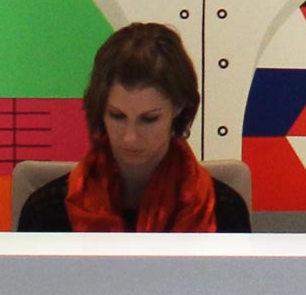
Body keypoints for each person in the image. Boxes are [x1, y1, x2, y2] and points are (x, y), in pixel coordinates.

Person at [16, 24, 248, 232]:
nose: (130, 137)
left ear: (178, 108)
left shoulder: (223, 212)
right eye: (117, 116)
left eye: (149, 119)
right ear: (100, 108)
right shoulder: (46, 212)